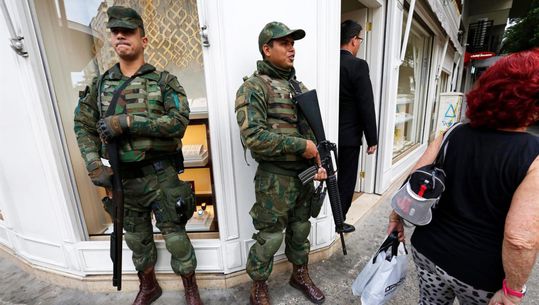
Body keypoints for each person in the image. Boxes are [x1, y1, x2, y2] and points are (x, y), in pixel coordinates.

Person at [387, 49, 539, 305]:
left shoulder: (451, 133)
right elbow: (519, 239)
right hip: (480, 275)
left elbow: (413, 182)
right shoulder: (533, 156)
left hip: (429, 250)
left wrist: (396, 219)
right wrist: (513, 291)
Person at [74, 6, 203, 305]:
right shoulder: (100, 85)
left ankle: (190, 288)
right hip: (123, 180)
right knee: (136, 239)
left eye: (128, 31)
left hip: (161, 175)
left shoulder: (163, 82)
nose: (120, 35)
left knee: (176, 238)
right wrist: (94, 163)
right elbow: (82, 125)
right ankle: (149, 286)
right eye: (115, 31)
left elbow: (178, 123)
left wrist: (130, 122)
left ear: (143, 40)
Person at [234, 21, 328, 305]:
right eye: (284, 43)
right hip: (275, 178)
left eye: (293, 43)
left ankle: (299, 274)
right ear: (267, 49)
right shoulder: (253, 88)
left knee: (301, 228)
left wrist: (319, 157)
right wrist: (303, 146)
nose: (292, 48)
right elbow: (254, 137)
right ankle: (258, 286)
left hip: (305, 174)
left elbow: (313, 132)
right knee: (270, 236)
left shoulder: (300, 87)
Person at [338, 20, 378, 233]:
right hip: (349, 136)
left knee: (328, 177)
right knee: (346, 180)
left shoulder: (329, 64)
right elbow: (366, 104)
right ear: (354, 40)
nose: (360, 43)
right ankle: (338, 221)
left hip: (326, 135)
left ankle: (326, 215)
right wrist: (372, 138)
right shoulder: (357, 65)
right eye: (360, 39)